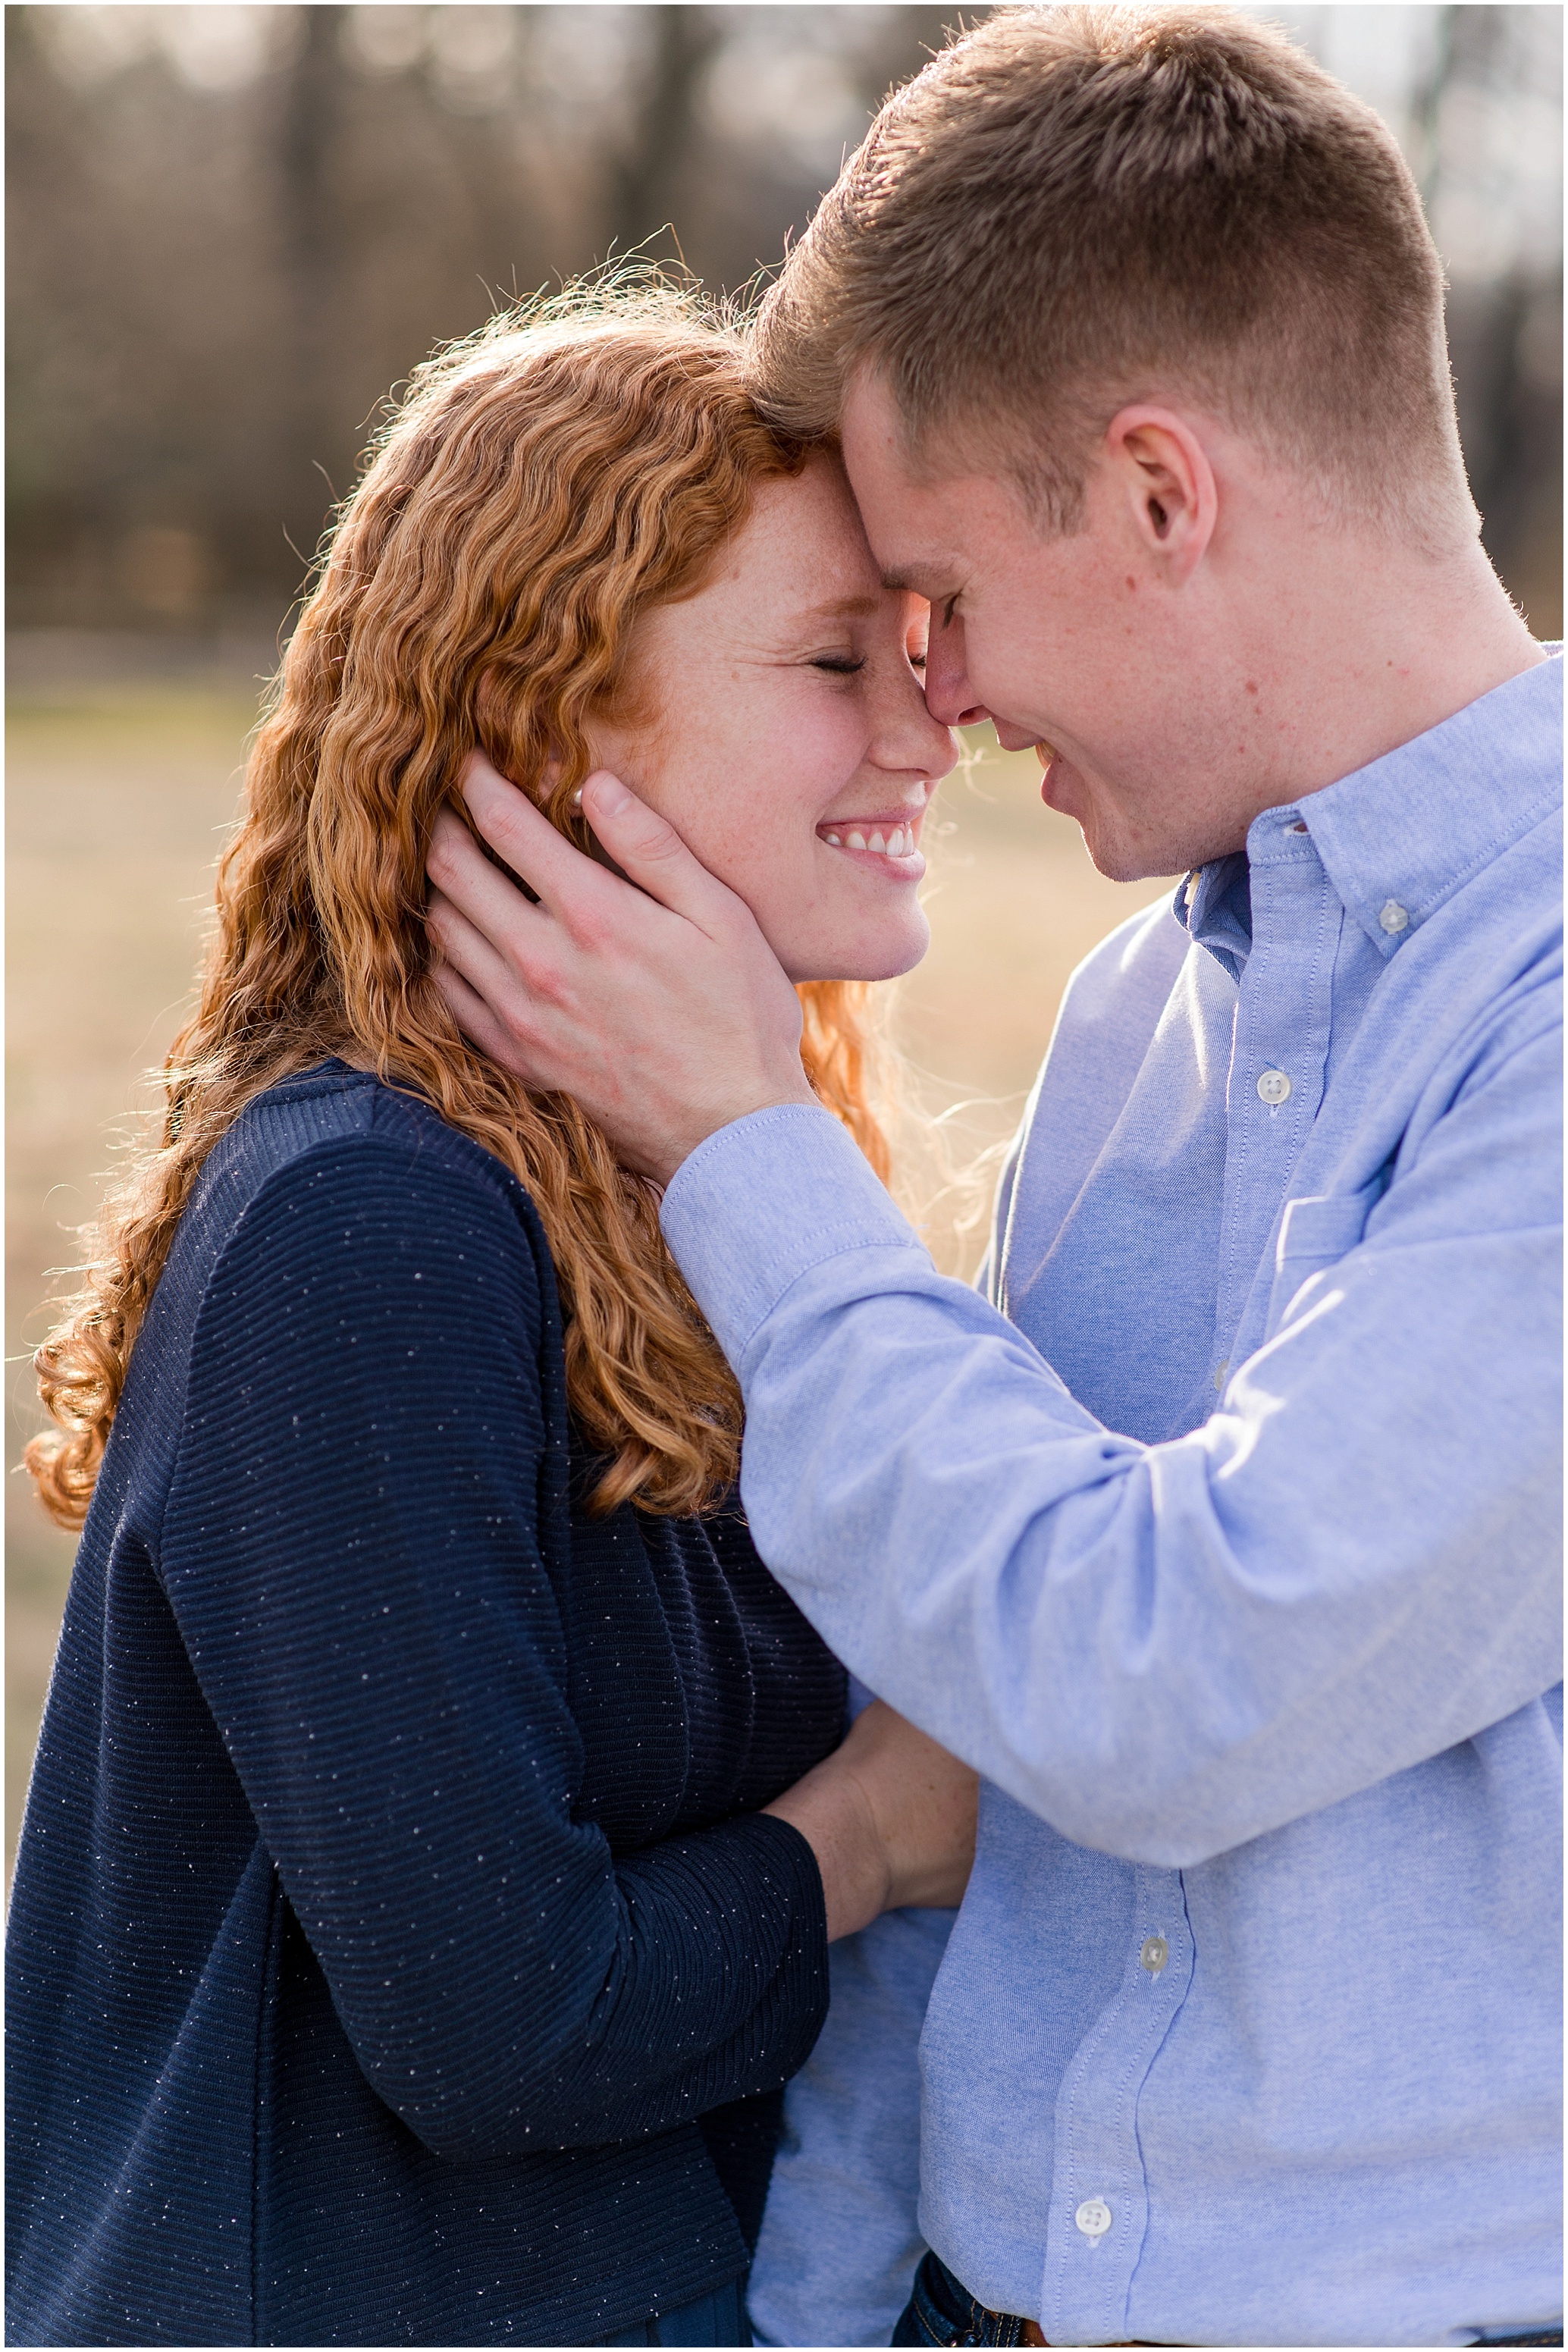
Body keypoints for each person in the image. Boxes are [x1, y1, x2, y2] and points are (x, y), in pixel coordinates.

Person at [422, 11, 1563, 2348]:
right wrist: (823, 2303)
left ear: (1157, 495)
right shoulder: (1140, 1020)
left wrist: (748, 1148)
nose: (934, 697)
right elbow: (964, 1756)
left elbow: (1170, 1684)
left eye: (933, 586)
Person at [5, 295, 979, 2350]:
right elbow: (500, 2024)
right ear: (548, 719)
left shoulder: (701, 1194)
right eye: (832, 663)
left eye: (915, 653)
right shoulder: (367, 1220)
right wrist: (872, 1836)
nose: (923, 727)